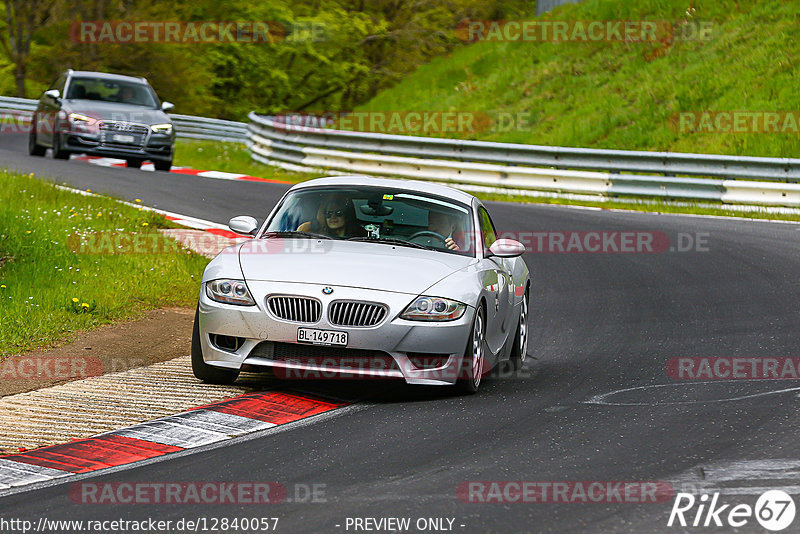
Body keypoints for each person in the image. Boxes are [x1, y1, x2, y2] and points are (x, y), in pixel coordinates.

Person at [298, 195, 365, 238]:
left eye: (338, 213)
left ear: (346, 215)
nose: (333, 217)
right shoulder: (319, 237)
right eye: (328, 214)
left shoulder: (362, 237)